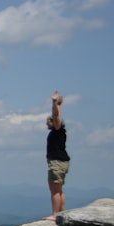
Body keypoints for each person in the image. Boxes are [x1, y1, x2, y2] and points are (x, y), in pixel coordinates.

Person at [45, 90, 69, 219]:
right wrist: (59, 105)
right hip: (63, 162)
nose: (46, 124)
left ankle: (55, 214)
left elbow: (56, 116)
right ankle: (61, 213)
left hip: (57, 162)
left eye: (48, 121)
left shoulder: (57, 130)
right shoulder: (60, 131)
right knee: (59, 190)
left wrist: (54, 103)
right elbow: (57, 115)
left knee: (54, 190)